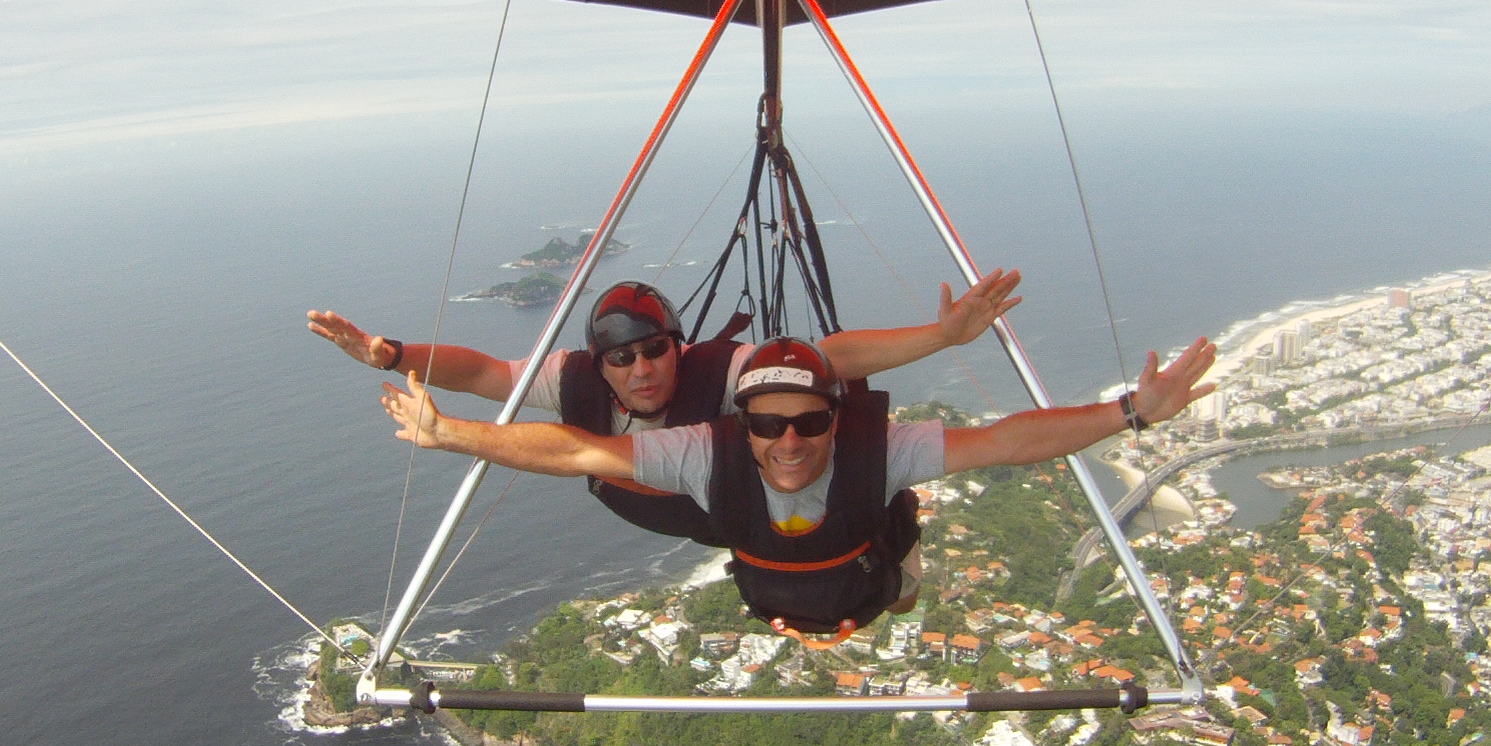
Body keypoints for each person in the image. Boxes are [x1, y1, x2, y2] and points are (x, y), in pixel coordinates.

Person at [377, 332, 1219, 636]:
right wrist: (454, 434)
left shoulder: (875, 452)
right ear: (737, 424)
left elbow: (1002, 442)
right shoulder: (702, 453)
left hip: (866, 572)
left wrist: (1129, 415)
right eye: (766, 425)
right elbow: (577, 452)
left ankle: (900, 576)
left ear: (835, 420)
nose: (787, 442)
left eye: (810, 423)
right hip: (773, 585)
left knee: (896, 577)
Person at [309, 271, 1020, 544]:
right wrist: (392, 352)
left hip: (755, 508)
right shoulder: (575, 380)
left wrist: (941, 337)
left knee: (883, 573)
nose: (643, 369)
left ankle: (898, 533)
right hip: (692, 516)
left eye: (656, 350)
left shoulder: (723, 371)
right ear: (600, 362)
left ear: (678, 347)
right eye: (622, 358)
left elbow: (830, 358)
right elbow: (484, 372)